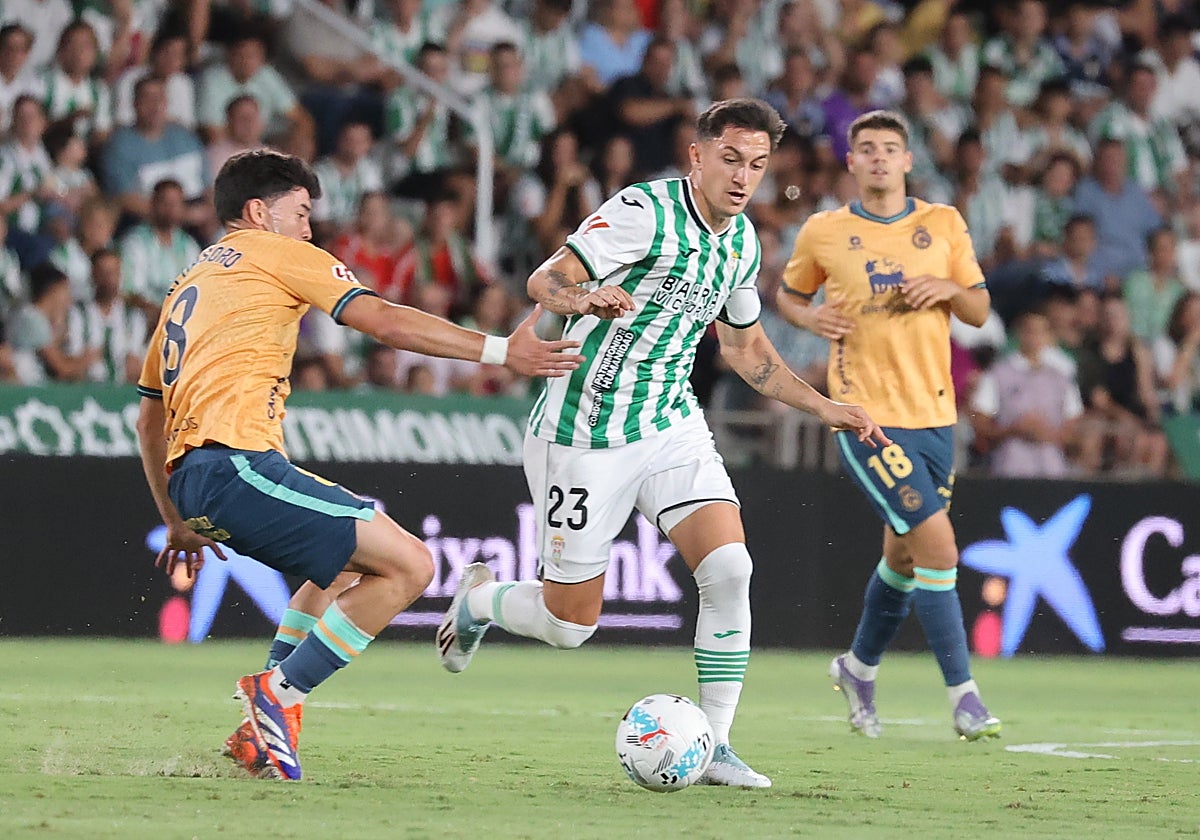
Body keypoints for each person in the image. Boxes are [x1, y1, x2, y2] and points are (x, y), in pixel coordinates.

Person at [433, 99, 889, 789]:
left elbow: (745, 349)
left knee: (731, 570)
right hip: (584, 432)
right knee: (570, 625)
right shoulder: (644, 212)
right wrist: (584, 298)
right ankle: (478, 603)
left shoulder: (742, 244)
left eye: (758, 165)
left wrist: (824, 406)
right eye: (731, 159)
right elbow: (544, 280)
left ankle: (718, 746)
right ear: (698, 157)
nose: (744, 177)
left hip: (671, 421)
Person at [135, 149, 583, 782]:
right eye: (302, 212)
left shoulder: (189, 283)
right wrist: (501, 350)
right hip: (236, 463)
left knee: (343, 569)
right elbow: (381, 319)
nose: (310, 229)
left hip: (202, 477)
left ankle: (265, 729)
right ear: (260, 212)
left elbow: (149, 419)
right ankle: (277, 697)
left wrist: (176, 518)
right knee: (412, 566)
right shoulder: (277, 252)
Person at [775, 110, 1002, 741]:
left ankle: (857, 668)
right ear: (851, 163)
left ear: (907, 161)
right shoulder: (824, 231)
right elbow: (788, 296)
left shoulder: (942, 224)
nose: (878, 158)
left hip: (935, 417)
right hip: (865, 417)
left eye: (890, 148)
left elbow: (980, 310)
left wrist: (946, 289)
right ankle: (965, 697)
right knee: (939, 548)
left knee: (903, 560)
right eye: (866, 149)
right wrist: (807, 319)